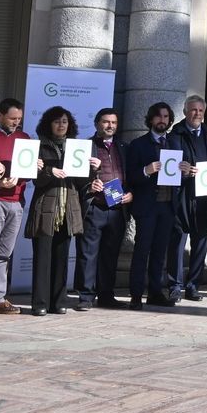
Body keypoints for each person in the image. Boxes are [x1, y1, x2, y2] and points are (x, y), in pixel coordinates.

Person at [28, 106, 84, 316]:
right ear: (48, 124)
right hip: (46, 207)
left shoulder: (76, 148)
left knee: (62, 258)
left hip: (68, 208)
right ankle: (39, 303)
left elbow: (81, 183)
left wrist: (92, 168)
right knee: (42, 258)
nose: (61, 125)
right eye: (57, 121)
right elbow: (37, 180)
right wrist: (48, 171)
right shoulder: (38, 146)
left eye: (64, 121)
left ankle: (59, 302)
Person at [125, 102, 180, 309]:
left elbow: (178, 178)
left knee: (160, 252)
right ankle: (136, 294)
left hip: (167, 206)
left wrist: (184, 171)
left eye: (166, 117)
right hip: (147, 207)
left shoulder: (174, 143)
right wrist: (146, 171)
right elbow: (130, 177)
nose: (162, 120)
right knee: (142, 251)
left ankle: (156, 292)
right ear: (150, 119)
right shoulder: (139, 144)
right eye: (158, 117)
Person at [0, 98, 30, 317]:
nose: (16, 123)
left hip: (17, 201)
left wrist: (34, 167)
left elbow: (28, 172)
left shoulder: (24, 138)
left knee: (4, 253)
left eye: (19, 119)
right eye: (12, 118)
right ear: (0, 115)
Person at [78, 108, 130, 309]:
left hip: (117, 209)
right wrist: (88, 186)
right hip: (95, 207)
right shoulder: (85, 147)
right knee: (88, 254)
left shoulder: (124, 146)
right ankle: (85, 296)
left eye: (114, 123)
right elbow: (75, 176)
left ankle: (106, 295)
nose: (110, 126)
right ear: (97, 124)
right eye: (106, 122)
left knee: (110, 255)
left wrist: (131, 193)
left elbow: (130, 174)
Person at [169, 95, 207, 303]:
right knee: (176, 244)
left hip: (205, 198)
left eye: (200, 110)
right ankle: (174, 285)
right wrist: (181, 171)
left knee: (200, 245)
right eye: (193, 110)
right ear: (185, 112)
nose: (197, 114)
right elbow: (168, 166)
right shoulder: (174, 136)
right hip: (181, 197)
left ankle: (193, 285)